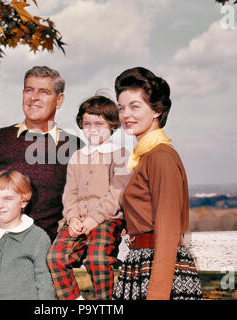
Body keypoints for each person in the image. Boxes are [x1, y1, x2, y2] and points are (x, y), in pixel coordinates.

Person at [0, 66, 82, 298]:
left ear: (59, 99)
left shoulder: (73, 147)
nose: (34, 98)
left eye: (44, 92)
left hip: (34, 256)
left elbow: (87, 198)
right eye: (28, 90)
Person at [112, 67, 203, 300]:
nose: (125, 114)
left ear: (156, 110)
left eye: (135, 106)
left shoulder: (161, 157)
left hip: (159, 269)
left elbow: (168, 230)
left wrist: (158, 293)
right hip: (139, 262)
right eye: (122, 107)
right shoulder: (144, 157)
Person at [47, 95, 131, 300]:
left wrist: (94, 219)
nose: (93, 129)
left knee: (97, 258)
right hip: (77, 221)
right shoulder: (77, 157)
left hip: (106, 220)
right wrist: (73, 218)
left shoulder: (121, 155)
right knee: (55, 258)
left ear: (112, 125)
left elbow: (116, 193)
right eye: (87, 124)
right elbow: (70, 193)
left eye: (99, 124)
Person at [0, 169, 55, 300]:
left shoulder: (38, 238)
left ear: (23, 200)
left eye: (8, 198)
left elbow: (45, 284)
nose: (0, 205)